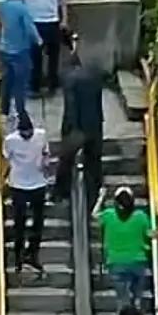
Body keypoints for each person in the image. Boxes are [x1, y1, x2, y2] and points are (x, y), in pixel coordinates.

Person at [3, 109, 52, 281]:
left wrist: (45, 164)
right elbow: (6, 158)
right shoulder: (11, 141)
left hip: (38, 182)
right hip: (18, 184)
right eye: (24, 134)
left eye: (29, 133)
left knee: (38, 221)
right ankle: (18, 255)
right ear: (19, 131)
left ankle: (33, 252)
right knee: (19, 222)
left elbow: (46, 153)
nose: (28, 136)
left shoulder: (41, 135)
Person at [55, 43, 105, 210]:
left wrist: (69, 127)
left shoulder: (69, 79)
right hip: (95, 125)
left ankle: (60, 192)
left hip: (78, 127)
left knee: (66, 159)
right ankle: (96, 191)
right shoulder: (95, 76)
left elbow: (71, 105)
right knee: (94, 160)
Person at [19, 0, 68, 98]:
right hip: (32, 19)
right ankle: (34, 86)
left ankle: (52, 85)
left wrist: (64, 18)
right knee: (34, 56)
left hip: (52, 19)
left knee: (53, 55)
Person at [98, 184, 154, 308]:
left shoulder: (108, 215)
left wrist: (101, 198)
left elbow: (94, 215)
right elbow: (150, 234)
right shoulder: (141, 216)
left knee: (122, 299)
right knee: (137, 297)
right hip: (138, 261)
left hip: (116, 261)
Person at [0, 0, 39, 121]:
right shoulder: (21, 8)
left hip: (4, 48)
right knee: (20, 84)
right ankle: (20, 111)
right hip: (20, 50)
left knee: (7, 79)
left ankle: (4, 109)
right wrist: (38, 41)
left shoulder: (2, 5)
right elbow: (30, 29)